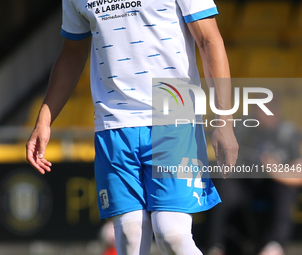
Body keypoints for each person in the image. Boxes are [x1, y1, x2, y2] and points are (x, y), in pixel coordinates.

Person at [26, 1, 238, 254]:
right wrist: (44, 120)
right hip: (112, 123)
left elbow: (209, 40)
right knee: (129, 235)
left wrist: (224, 120)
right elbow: (73, 52)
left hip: (173, 111)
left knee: (171, 233)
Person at [207, 100, 302, 255]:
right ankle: (216, 246)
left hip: (272, 185)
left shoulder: (288, 133)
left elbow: (298, 174)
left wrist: (275, 170)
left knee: (286, 191)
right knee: (223, 188)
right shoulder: (244, 128)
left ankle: (274, 246)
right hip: (244, 185)